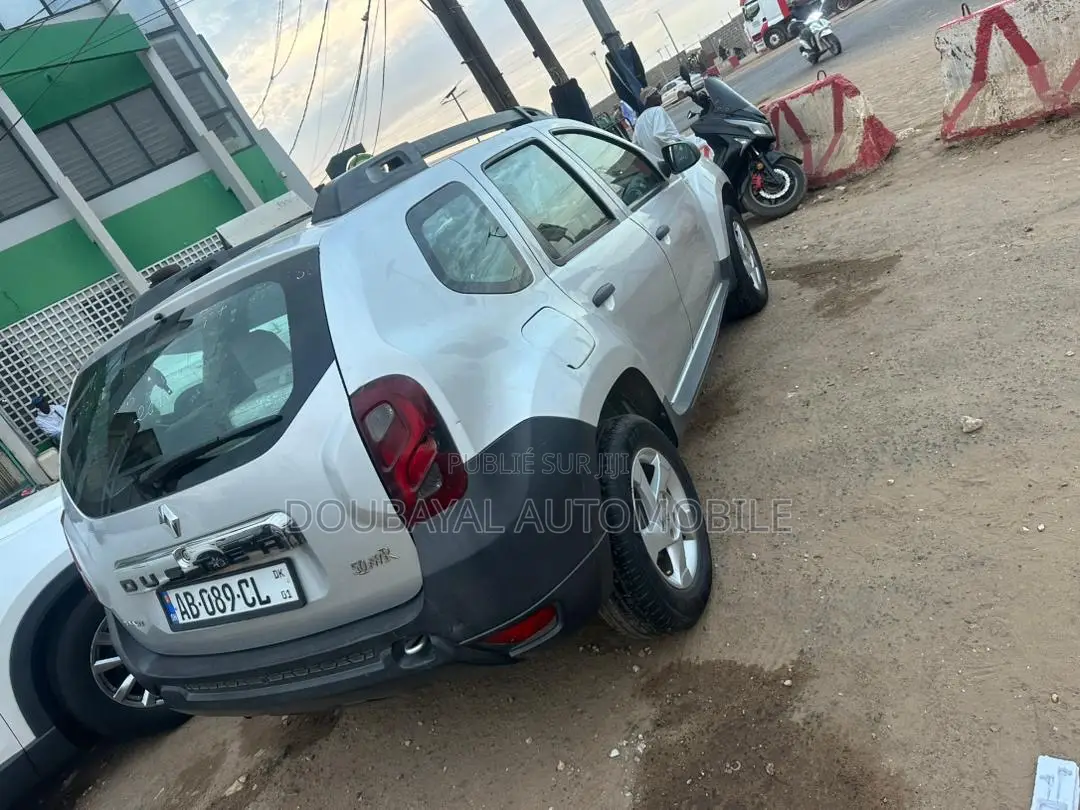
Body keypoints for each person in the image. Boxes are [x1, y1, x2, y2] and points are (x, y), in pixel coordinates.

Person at [631, 86, 688, 160]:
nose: (659, 95)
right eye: (656, 94)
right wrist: (678, 148)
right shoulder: (658, 110)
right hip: (670, 158)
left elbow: (635, 144)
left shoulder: (639, 120)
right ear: (648, 100)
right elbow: (660, 134)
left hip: (655, 162)